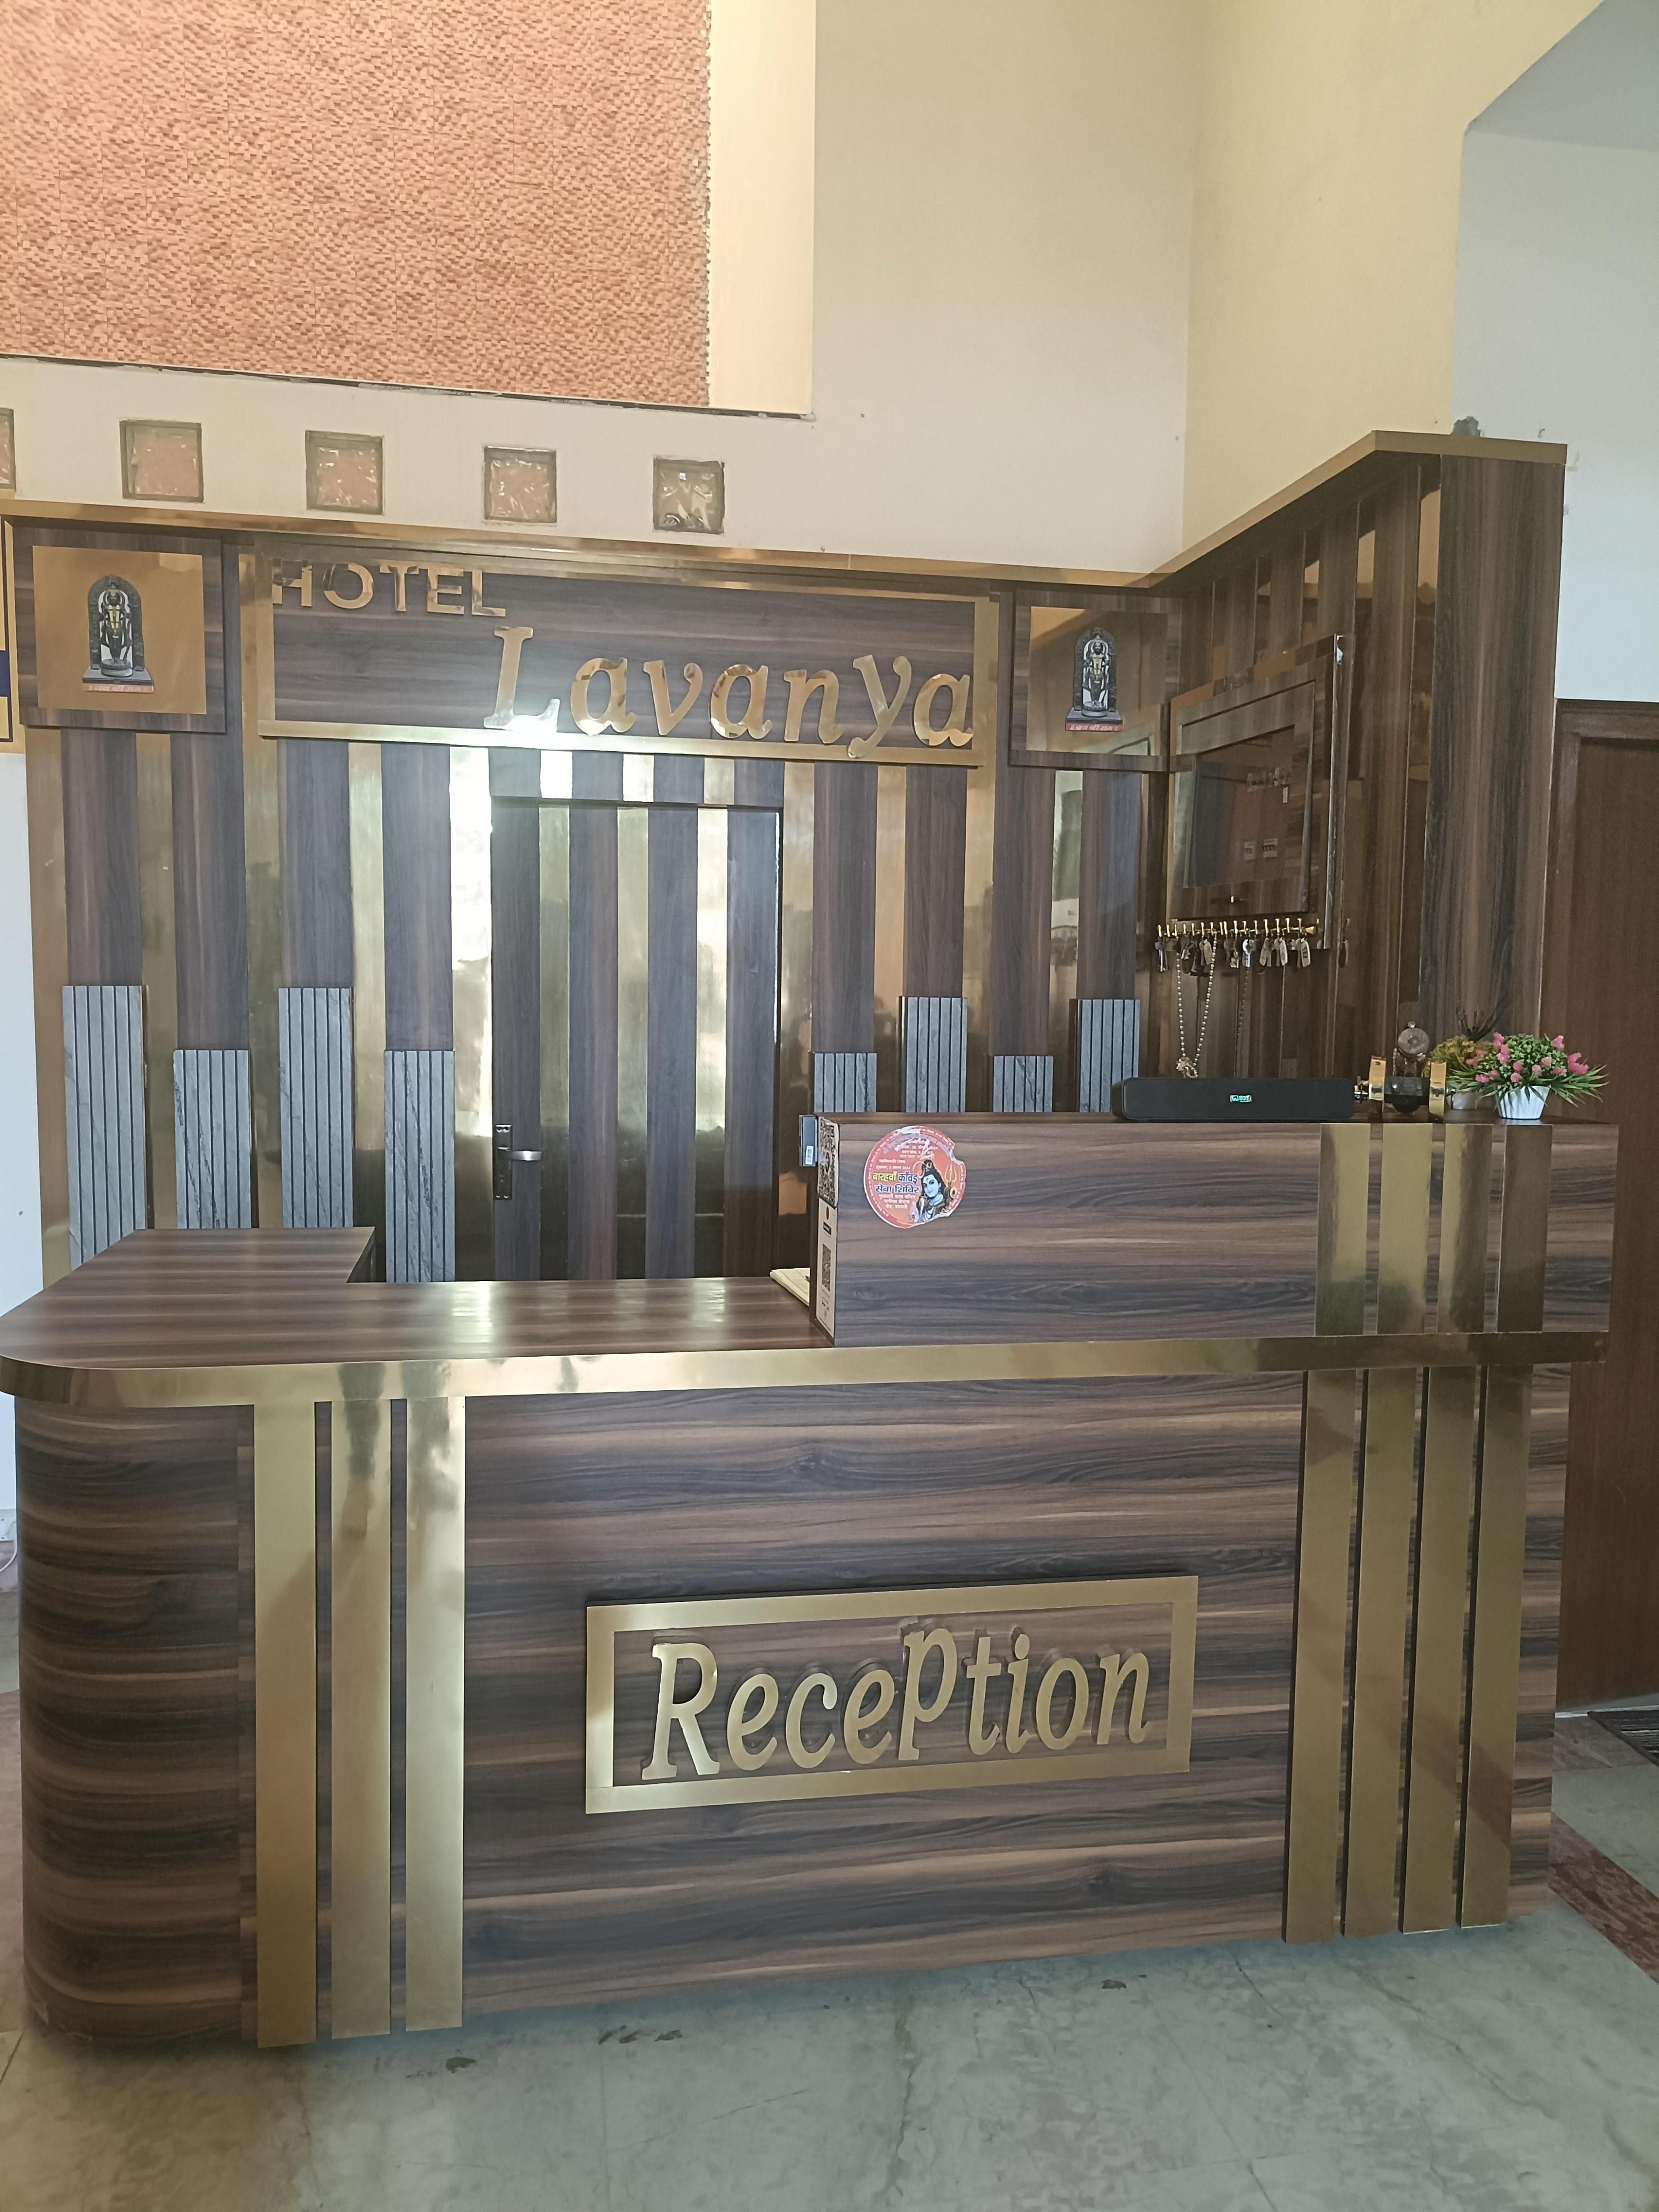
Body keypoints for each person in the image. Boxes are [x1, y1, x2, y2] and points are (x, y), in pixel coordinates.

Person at [911, 1156, 951, 1224]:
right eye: (925, 1186)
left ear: (939, 1184)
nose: (928, 1189)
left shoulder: (945, 1205)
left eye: (932, 1183)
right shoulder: (923, 1205)